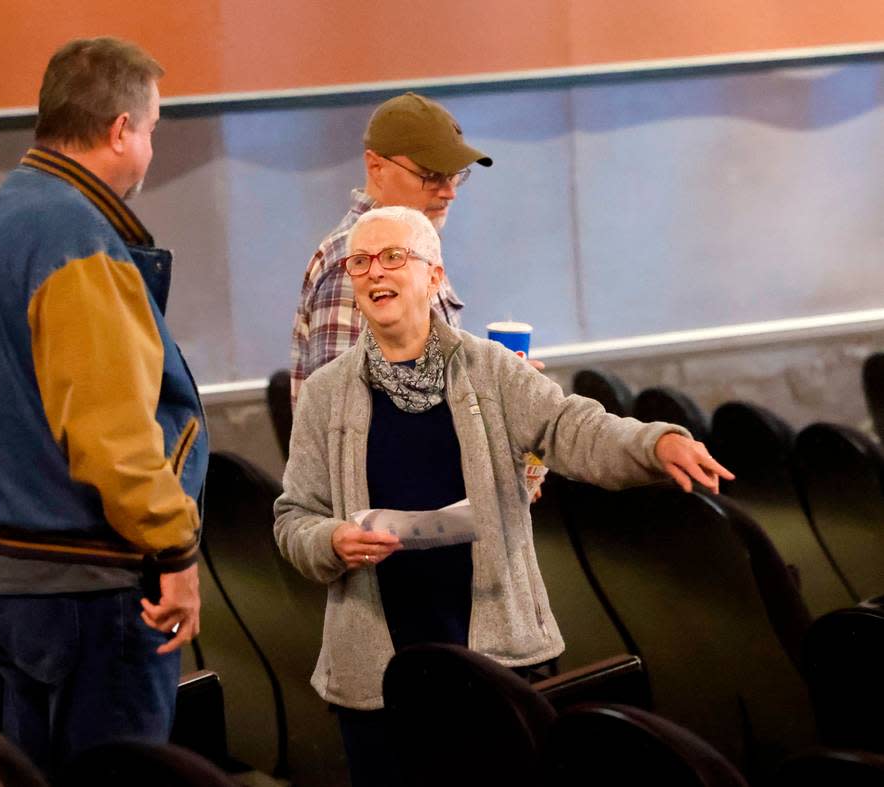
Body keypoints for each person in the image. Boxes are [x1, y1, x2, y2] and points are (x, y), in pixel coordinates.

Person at [273, 206, 733, 787]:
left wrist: (654, 442)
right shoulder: (325, 394)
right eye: (360, 262)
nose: (373, 273)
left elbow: (572, 428)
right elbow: (294, 517)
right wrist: (331, 540)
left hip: (494, 656)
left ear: (434, 276)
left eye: (393, 257)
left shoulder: (490, 370)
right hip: (375, 671)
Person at [0, 37, 205, 775]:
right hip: (85, 593)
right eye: (152, 129)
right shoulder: (77, 241)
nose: (151, 148)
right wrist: (176, 551)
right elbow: (113, 439)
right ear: (120, 129)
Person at [289, 92, 493, 408]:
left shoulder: (412, 246)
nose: (449, 192)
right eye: (431, 176)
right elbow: (342, 413)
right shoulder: (355, 264)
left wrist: (498, 385)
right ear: (376, 166)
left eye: (454, 175)